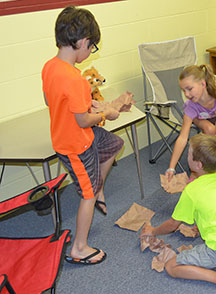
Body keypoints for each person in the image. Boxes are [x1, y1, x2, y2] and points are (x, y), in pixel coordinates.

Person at [42, 6, 133, 265]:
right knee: (87, 195)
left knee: (114, 143)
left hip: (79, 134)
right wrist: (107, 114)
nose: (90, 51)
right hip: (74, 144)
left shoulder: (50, 66)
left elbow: (51, 100)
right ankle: (79, 248)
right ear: (82, 42)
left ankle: (98, 186)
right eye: (91, 47)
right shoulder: (75, 79)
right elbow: (83, 120)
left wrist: (89, 107)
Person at [141, 134, 216, 294]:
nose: (187, 155)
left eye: (189, 154)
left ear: (198, 164)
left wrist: (153, 231)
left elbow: (172, 225)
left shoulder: (191, 190)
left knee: (171, 267)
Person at [165, 65, 216, 180]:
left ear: (203, 84)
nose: (186, 94)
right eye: (183, 90)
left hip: (214, 115)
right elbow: (182, 138)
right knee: (210, 129)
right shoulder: (191, 106)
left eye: (189, 89)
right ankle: (205, 166)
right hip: (198, 117)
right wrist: (171, 167)